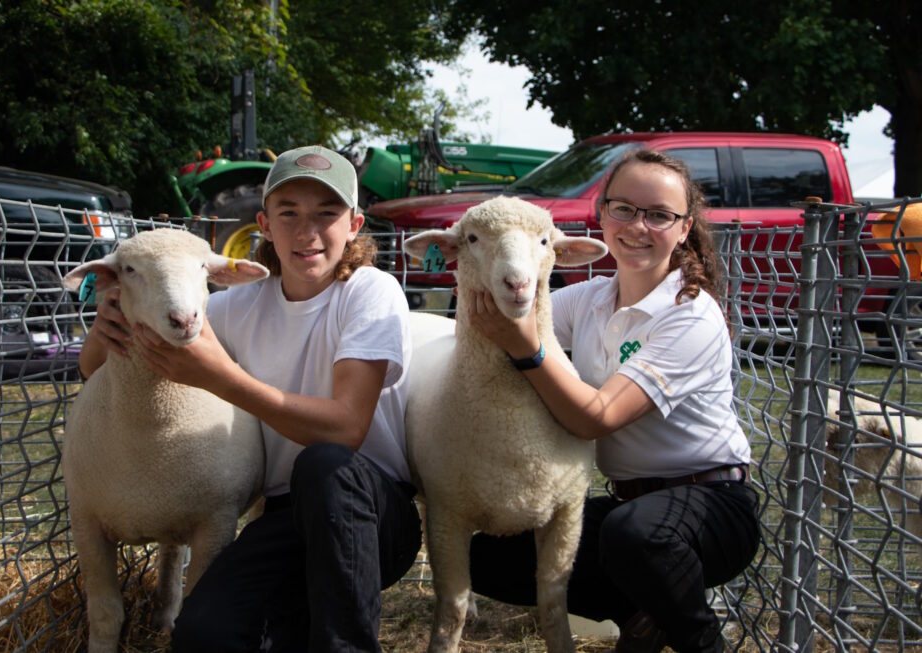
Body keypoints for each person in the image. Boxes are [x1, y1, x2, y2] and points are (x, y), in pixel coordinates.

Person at [78, 145, 422, 653]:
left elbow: (347, 430)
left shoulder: (370, 292)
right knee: (204, 635)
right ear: (264, 223)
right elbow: (94, 371)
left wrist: (222, 378)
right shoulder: (233, 305)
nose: (307, 233)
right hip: (285, 516)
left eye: (327, 214)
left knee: (324, 464)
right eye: (289, 214)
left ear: (354, 225)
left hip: (369, 512)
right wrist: (107, 326)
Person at [464, 148, 760, 653]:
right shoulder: (592, 297)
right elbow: (496, 324)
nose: (637, 226)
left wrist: (527, 348)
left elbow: (597, 417)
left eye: (659, 215)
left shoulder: (690, 315)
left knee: (633, 535)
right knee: (490, 558)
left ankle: (702, 640)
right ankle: (643, 613)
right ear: (601, 214)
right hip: (633, 506)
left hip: (713, 507)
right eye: (623, 209)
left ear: (684, 228)